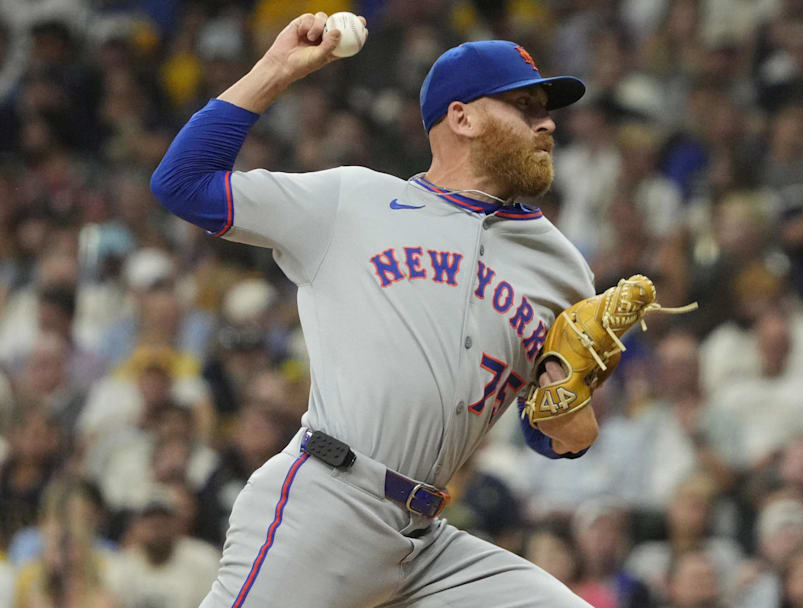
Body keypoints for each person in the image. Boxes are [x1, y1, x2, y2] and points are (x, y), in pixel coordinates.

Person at [150, 11, 603, 607]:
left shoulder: (563, 268)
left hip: (426, 542)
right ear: (461, 117)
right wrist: (277, 69)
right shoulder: (353, 201)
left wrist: (569, 429)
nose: (546, 122)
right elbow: (181, 182)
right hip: (327, 501)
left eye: (547, 108)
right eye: (524, 106)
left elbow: (546, 427)